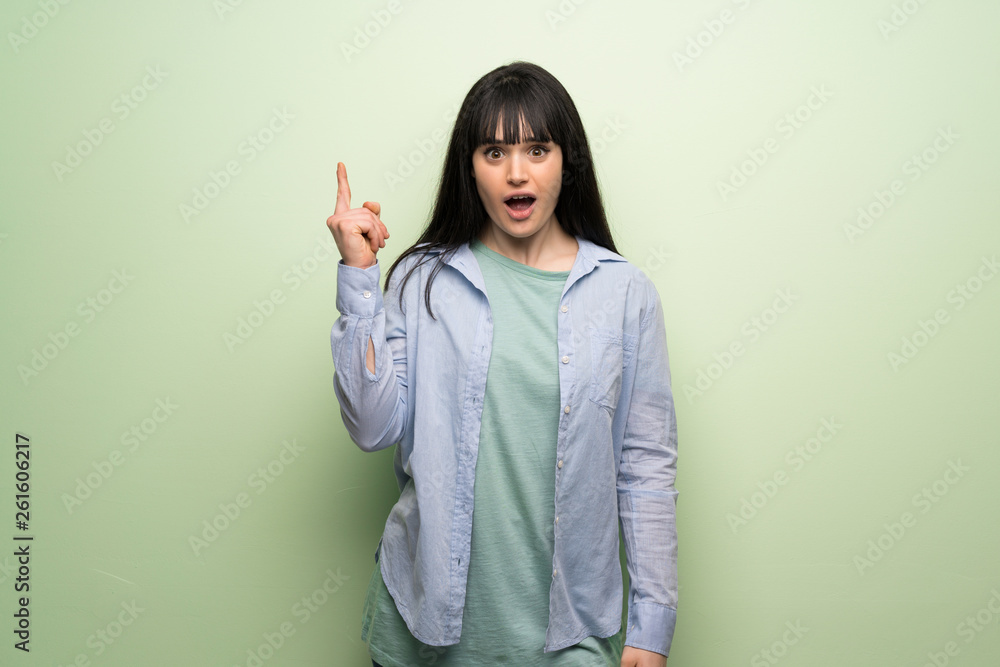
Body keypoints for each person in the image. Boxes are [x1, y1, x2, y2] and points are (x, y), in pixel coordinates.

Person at [327, 61, 678, 667]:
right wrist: (359, 278)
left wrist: (653, 624)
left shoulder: (625, 294)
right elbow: (371, 428)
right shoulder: (422, 279)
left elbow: (645, 468)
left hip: (572, 634)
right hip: (424, 625)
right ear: (471, 168)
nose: (517, 172)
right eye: (494, 151)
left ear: (568, 163)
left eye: (537, 149)